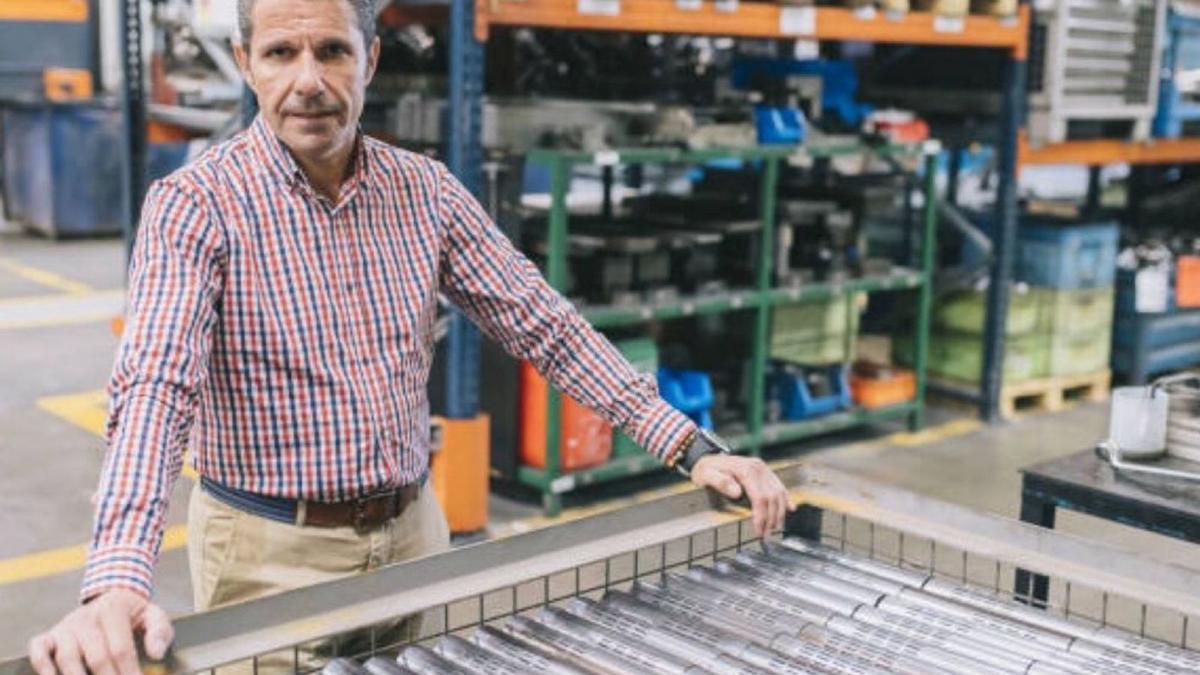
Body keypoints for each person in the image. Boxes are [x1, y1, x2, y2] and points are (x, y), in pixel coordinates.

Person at [27, 1, 793, 673]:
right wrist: (118, 579)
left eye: (332, 50)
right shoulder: (195, 207)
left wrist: (692, 447)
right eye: (280, 53)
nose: (309, 81)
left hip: (416, 535)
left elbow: (544, 323)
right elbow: (156, 389)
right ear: (244, 63)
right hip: (269, 556)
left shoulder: (422, 191)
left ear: (372, 59)